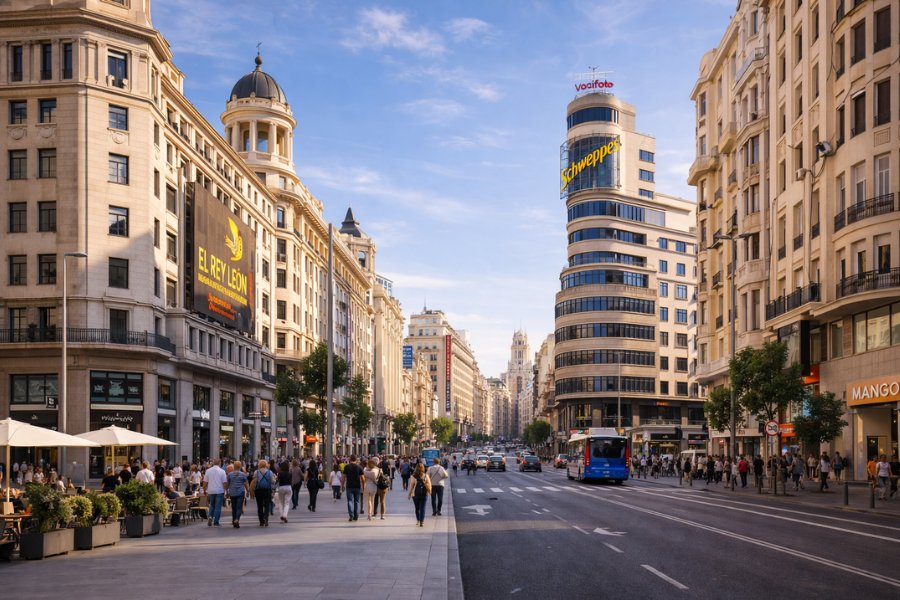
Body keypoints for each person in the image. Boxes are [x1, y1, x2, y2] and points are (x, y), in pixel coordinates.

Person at [202, 458, 228, 526]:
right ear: (219, 463)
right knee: (218, 507)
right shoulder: (222, 471)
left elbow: (205, 482)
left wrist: (204, 490)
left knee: (212, 505)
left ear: (213, 463)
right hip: (219, 491)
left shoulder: (208, 471)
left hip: (211, 491)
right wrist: (226, 490)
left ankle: (210, 516)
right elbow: (225, 482)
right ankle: (216, 522)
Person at [251, 459, 275, 527]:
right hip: (267, 490)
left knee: (260, 506)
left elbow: (254, 481)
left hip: (258, 490)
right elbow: (272, 481)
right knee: (267, 505)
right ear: (266, 465)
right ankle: (266, 519)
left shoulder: (256, 472)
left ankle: (261, 521)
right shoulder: (270, 472)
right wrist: (274, 479)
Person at [341, 455, 364, 522]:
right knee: (356, 501)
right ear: (356, 460)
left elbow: (343, 477)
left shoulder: (346, 467)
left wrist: (342, 485)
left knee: (349, 501)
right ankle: (356, 516)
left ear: (350, 459)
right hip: (357, 486)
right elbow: (363, 478)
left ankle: (351, 515)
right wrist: (363, 486)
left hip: (349, 486)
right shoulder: (359, 467)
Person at [227, 460, 248, 528]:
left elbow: (228, 484)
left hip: (232, 492)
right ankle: (237, 519)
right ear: (240, 466)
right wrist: (248, 491)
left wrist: (226, 491)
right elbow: (246, 483)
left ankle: (233, 521)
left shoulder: (230, 474)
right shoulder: (243, 474)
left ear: (234, 466)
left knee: (234, 507)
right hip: (240, 492)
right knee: (239, 507)